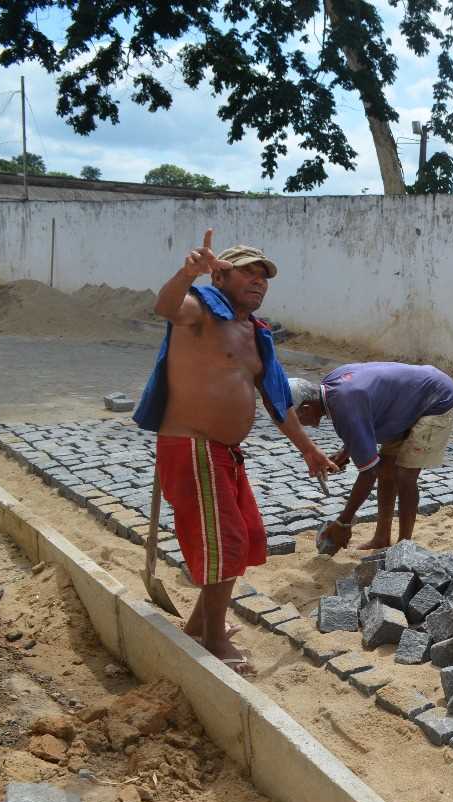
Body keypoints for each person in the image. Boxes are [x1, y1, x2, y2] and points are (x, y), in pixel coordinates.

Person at [134, 229, 336, 675]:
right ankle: (214, 640)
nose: (259, 281)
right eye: (248, 271)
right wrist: (188, 273)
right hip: (192, 446)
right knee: (223, 543)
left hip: (224, 453)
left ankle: (198, 624)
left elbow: (278, 401)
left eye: (265, 276)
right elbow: (165, 307)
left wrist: (308, 450)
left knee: (240, 539)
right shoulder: (200, 311)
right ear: (220, 276)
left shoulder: (257, 335)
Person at [289, 362, 453, 552]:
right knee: (386, 471)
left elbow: (369, 473)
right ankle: (382, 538)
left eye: (295, 419)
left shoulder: (343, 403)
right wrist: (346, 451)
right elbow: (363, 414)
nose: (299, 426)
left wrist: (343, 523)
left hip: (435, 399)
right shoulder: (331, 387)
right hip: (403, 405)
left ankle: (404, 548)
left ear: (305, 407)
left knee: (405, 476)